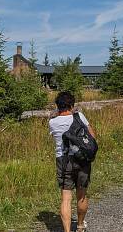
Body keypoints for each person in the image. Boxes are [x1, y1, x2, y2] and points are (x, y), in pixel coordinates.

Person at [49, 91, 96, 232]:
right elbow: (92, 136)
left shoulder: (52, 122)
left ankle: (67, 231)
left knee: (66, 197)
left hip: (63, 160)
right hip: (82, 159)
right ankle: (80, 225)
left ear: (58, 106)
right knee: (81, 194)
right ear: (71, 105)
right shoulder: (79, 116)